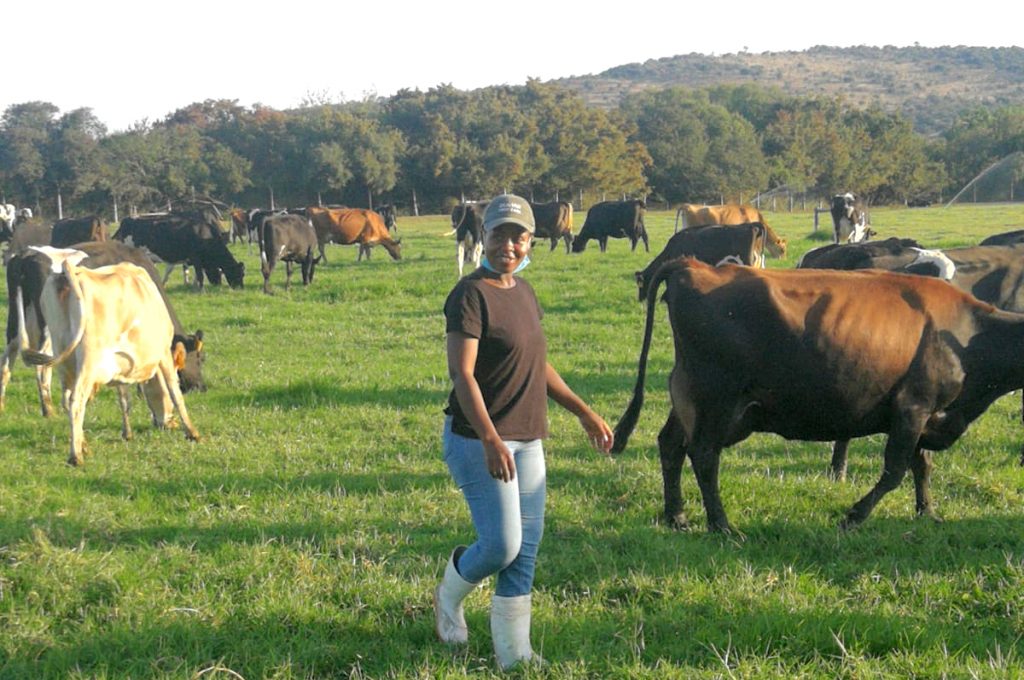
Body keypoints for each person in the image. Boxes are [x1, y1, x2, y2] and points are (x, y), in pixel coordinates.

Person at [434, 194, 614, 670]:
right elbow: (462, 375)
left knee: (524, 553)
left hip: (529, 436)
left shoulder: (525, 291)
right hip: (478, 439)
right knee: (500, 545)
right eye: (499, 235)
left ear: (532, 240)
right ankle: (449, 593)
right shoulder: (469, 295)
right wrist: (492, 439)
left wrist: (582, 410)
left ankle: (515, 657)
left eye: (519, 237)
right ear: (484, 237)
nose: (508, 245)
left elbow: (537, 365)